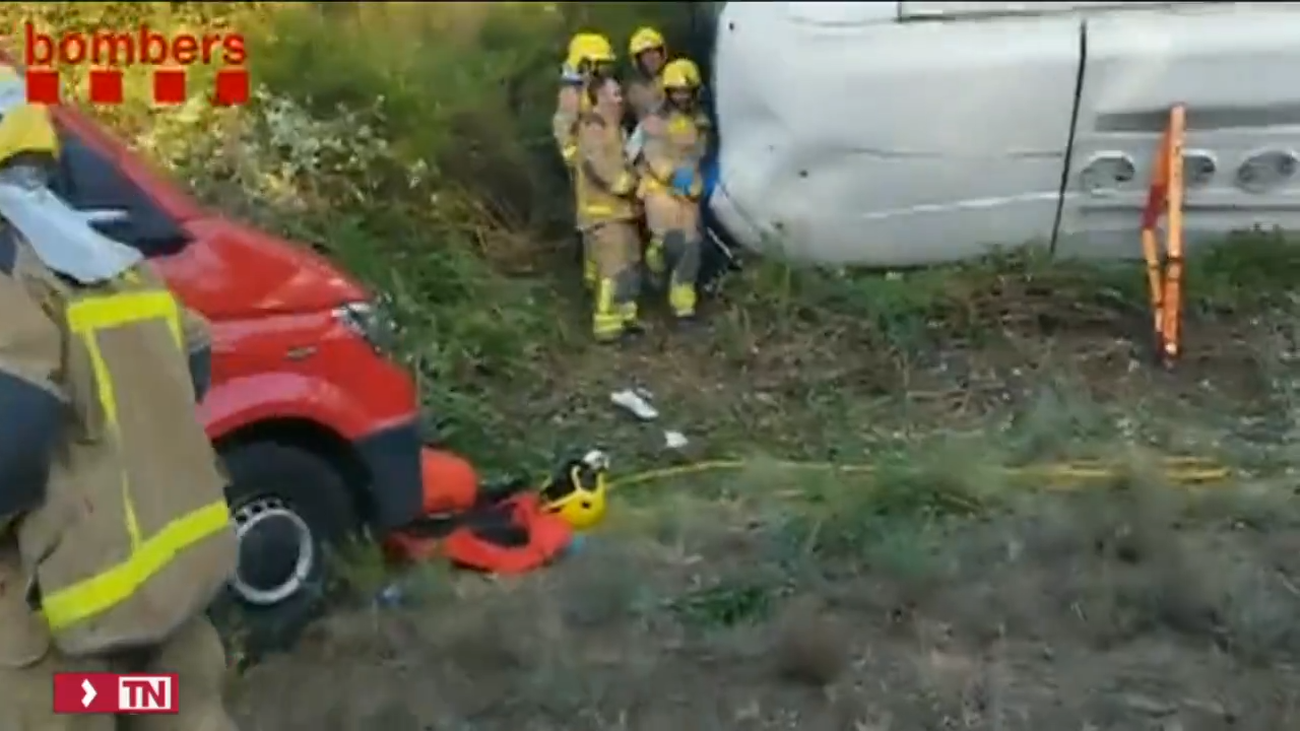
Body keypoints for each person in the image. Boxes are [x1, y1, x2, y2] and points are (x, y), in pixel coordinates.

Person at [0, 94, 238, 730]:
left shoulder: (12, 281)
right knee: (177, 713)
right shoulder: (120, 265)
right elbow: (191, 359)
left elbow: (12, 442)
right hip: (167, 610)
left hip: (64, 640)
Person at [637, 58, 709, 324]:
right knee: (668, 242)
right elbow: (655, 160)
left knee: (691, 246)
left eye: (686, 91)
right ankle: (654, 262)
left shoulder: (700, 122)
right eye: (676, 91)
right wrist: (679, 182)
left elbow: (697, 155)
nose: (681, 96)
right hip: (659, 191)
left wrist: (693, 183)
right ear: (667, 93)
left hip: (688, 191)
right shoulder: (653, 123)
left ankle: (683, 306)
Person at [574, 74, 643, 343]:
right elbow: (599, 165)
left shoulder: (617, 129)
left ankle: (627, 316)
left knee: (630, 262)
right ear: (599, 97)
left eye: (619, 93)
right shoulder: (593, 128)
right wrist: (624, 183)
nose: (619, 99)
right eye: (614, 94)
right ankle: (607, 325)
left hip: (623, 212)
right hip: (602, 213)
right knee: (612, 268)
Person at [554, 32, 617, 290]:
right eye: (599, 64)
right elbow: (562, 126)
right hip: (585, 164)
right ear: (585, 63)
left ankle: (599, 270)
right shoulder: (571, 92)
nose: (604, 70)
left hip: (600, 158)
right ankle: (593, 276)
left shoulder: (595, 87)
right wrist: (572, 155)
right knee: (591, 219)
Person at [625, 27, 668, 125]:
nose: (651, 58)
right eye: (645, 54)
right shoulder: (632, 90)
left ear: (662, 54)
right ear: (637, 60)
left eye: (655, 52)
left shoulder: (673, 80)